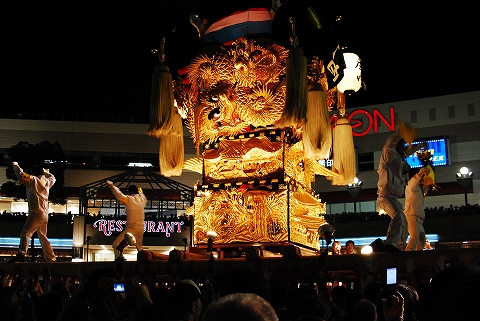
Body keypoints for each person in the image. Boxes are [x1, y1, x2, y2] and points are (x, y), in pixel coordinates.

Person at [377, 122, 414, 251]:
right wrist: (400, 133)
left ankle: (400, 247)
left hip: (393, 197)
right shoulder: (388, 155)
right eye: (402, 147)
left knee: (404, 222)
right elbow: (389, 144)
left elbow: (407, 167)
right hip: (385, 197)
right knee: (398, 217)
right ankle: (390, 244)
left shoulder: (399, 160)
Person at [9, 162, 56, 263]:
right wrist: (45, 172)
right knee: (43, 236)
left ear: (34, 172)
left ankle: (21, 254)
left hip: (36, 212)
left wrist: (16, 166)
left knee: (26, 233)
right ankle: (50, 258)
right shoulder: (47, 182)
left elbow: (21, 175)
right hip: (45, 213)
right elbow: (53, 177)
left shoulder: (33, 180)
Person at [107, 181, 147, 261]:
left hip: (132, 227)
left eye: (128, 192)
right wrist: (140, 192)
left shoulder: (129, 199)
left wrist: (112, 186)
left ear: (131, 192)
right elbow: (143, 197)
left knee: (116, 244)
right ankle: (142, 260)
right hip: (141, 228)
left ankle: (119, 258)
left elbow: (119, 195)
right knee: (139, 247)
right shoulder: (142, 201)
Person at [405, 167, 430, 251]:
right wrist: (420, 173)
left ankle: (417, 254)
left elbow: (420, 197)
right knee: (414, 237)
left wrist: (424, 189)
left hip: (418, 218)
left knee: (422, 240)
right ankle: (409, 255)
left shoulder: (417, 187)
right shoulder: (410, 184)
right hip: (411, 216)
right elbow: (414, 182)